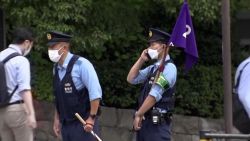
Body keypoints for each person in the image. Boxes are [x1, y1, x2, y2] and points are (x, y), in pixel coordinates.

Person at [46, 31, 102, 141]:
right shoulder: (55, 69)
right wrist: (57, 119)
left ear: (65, 47)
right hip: (66, 125)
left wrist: (92, 118)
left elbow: (95, 93)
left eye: (53, 47)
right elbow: (59, 97)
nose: (50, 50)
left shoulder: (82, 64)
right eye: (49, 47)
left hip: (84, 124)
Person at [127, 28, 177, 141]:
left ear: (163, 47)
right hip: (145, 122)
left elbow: (155, 95)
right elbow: (131, 79)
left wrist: (138, 114)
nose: (149, 48)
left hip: (158, 127)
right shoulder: (153, 68)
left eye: (153, 45)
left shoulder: (169, 69)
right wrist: (141, 60)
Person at [0, 27, 37, 141]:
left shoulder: (1, 55)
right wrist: (31, 114)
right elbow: (24, 89)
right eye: (31, 44)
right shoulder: (21, 61)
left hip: (1, 112)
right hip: (17, 110)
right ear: (26, 42)